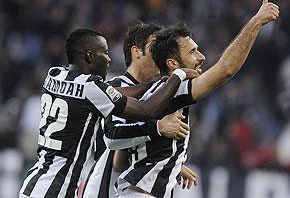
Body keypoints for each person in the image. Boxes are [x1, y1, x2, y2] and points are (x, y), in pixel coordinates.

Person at [106, 0, 280, 198]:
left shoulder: (152, 91)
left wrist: (171, 162)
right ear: (173, 64)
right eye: (193, 52)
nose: (202, 57)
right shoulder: (174, 88)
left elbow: (119, 162)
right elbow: (226, 69)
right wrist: (256, 22)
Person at [18, 28, 199, 198]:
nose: (109, 59)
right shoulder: (91, 88)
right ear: (90, 56)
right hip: (57, 190)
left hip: (34, 184)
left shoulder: (54, 74)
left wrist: (153, 85)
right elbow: (147, 110)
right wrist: (177, 77)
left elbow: (108, 93)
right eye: (104, 53)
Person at [82, 21, 194, 198]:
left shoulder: (159, 93)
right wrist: (158, 128)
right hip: (104, 189)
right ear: (136, 52)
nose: (160, 53)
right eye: (154, 47)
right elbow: (117, 156)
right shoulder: (114, 88)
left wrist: (172, 163)